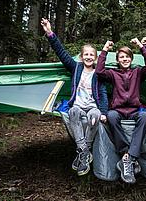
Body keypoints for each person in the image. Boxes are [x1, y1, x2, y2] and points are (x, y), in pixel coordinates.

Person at [41, 18, 108, 176]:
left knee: (95, 117)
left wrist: (103, 112)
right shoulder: (76, 68)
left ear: (96, 58)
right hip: (78, 106)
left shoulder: (99, 74)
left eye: (92, 55)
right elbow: (61, 53)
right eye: (86, 54)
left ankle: (85, 151)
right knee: (73, 112)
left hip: (93, 107)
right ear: (81, 56)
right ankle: (84, 151)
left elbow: (103, 93)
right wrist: (50, 33)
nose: (89, 57)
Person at [96, 37, 146, 183]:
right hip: (118, 110)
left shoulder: (138, 72)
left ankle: (130, 157)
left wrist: (141, 46)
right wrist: (104, 50)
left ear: (131, 58)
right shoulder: (113, 73)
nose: (124, 59)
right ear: (118, 60)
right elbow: (99, 71)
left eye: (127, 57)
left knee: (145, 116)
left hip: (134, 110)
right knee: (110, 116)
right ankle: (125, 154)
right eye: (121, 57)